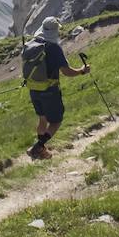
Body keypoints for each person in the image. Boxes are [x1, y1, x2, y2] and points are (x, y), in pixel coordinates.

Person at [23, 17, 91, 160]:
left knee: (42, 119)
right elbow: (66, 72)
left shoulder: (32, 43)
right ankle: (38, 147)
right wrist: (81, 71)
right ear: (55, 31)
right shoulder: (53, 48)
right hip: (49, 90)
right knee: (55, 121)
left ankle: (42, 151)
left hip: (34, 89)